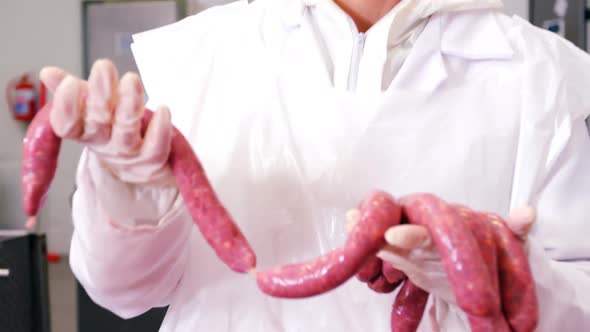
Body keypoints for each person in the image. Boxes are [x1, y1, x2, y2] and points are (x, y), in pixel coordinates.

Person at [40, 0, 590, 330]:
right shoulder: (197, 56)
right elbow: (123, 294)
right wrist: (132, 198)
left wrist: (511, 275)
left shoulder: (547, 76)